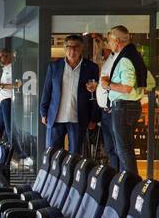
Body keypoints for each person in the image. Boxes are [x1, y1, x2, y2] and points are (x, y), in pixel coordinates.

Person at [101, 27, 152, 175]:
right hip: (128, 107)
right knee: (125, 148)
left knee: (123, 149)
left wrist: (107, 85)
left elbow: (127, 88)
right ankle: (129, 182)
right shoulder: (132, 54)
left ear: (116, 41)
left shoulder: (124, 59)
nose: (109, 44)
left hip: (124, 107)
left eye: (110, 40)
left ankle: (130, 184)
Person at [40, 34, 99, 155]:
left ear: (82, 48)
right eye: (69, 47)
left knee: (76, 156)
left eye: (76, 47)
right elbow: (47, 91)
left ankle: (72, 175)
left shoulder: (91, 68)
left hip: (78, 119)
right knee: (53, 155)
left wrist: (94, 118)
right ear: (64, 49)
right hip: (55, 118)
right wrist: (43, 112)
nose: (72, 50)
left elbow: (95, 95)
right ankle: (54, 175)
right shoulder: (54, 67)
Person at [0, 48, 20, 147]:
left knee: (9, 130)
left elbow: (17, 85)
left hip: (8, 101)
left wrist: (0, 86)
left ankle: (20, 156)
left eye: (1, 57)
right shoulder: (5, 69)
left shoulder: (12, 69)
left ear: (7, 56)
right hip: (3, 101)